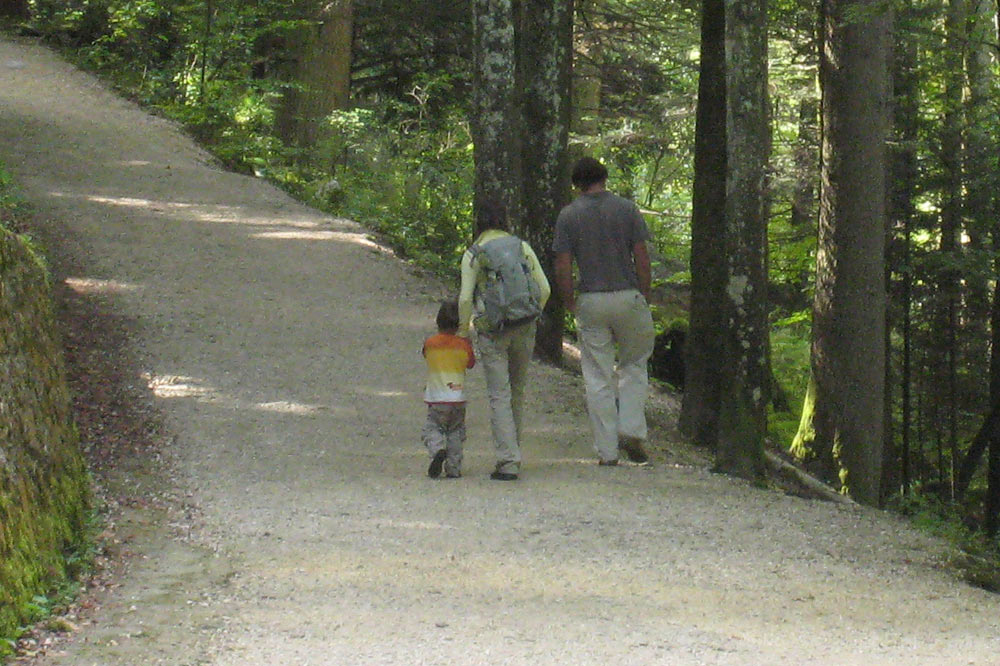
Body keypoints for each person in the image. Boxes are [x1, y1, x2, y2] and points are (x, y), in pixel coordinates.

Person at [553, 157, 656, 466]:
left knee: (597, 375)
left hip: (591, 299)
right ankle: (631, 429)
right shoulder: (626, 209)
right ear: (605, 177)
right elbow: (641, 256)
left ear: (576, 184)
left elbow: (562, 263)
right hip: (628, 295)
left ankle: (607, 451)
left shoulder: (568, 216)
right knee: (634, 364)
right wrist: (644, 292)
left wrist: (569, 299)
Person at [458, 201, 550, 481]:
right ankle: (514, 453)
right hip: (524, 325)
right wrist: (531, 314)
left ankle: (507, 460)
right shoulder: (521, 247)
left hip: (493, 331)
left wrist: (464, 332)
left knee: (499, 394)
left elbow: (465, 298)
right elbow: (544, 288)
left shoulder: (474, 253)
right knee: (517, 392)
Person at [422, 300, 476, 479]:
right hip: (458, 398)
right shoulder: (463, 345)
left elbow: (425, 354)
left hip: (437, 399)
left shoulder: (430, 343)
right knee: (455, 432)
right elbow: (470, 364)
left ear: (438, 322)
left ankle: (437, 449)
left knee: (433, 428)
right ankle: (453, 467)